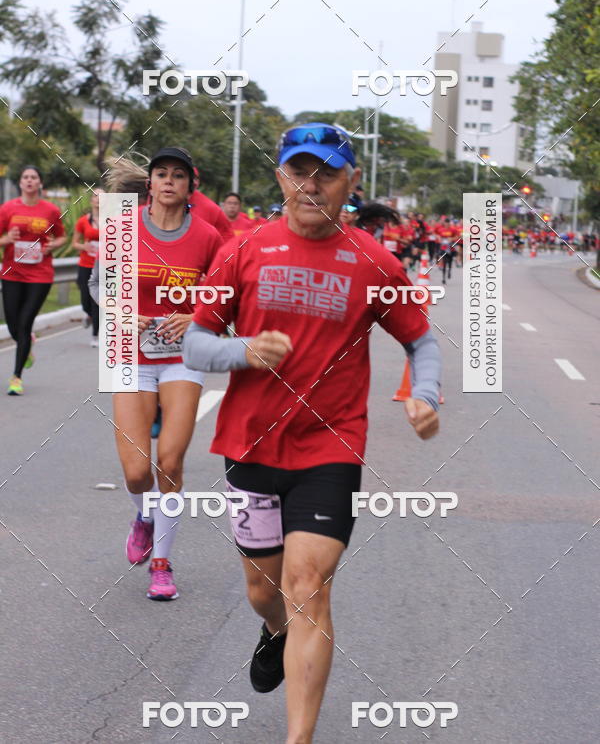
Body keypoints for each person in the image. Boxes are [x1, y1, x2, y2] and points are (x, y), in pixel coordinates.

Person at [183, 122, 441, 744]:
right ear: (281, 177)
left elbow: (421, 340)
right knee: (264, 589)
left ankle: (298, 738)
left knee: (308, 587)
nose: (311, 185)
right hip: (250, 442)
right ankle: (274, 631)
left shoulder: (372, 260)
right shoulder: (244, 250)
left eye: (326, 173)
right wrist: (243, 350)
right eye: (300, 171)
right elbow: (195, 343)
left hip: (331, 446)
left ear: (351, 182)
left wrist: (426, 394)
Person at [91, 148, 223, 600]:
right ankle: (144, 515)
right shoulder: (123, 228)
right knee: (135, 472)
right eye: (161, 173)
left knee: (169, 461)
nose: (169, 180)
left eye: (178, 175)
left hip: (182, 358)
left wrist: (198, 317)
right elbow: (99, 286)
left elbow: (223, 294)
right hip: (129, 354)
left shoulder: (206, 237)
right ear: (149, 183)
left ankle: (162, 565)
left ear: (190, 187)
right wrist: (121, 313)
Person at [0, 165, 66, 395]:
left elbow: (61, 237)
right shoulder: (8, 208)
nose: (29, 180)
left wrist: (52, 246)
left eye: (33, 177)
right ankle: (26, 345)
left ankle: (16, 377)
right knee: (13, 324)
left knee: (25, 322)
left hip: (40, 273)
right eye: (25, 177)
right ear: (20, 183)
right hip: (12, 272)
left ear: (39, 183)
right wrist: (7, 238)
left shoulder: (50, 210)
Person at [72, 189, 101, 346]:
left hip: (103, 267)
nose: (99, 199)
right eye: (96, 196)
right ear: (91, 200)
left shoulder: (113, 221)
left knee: (97, 302)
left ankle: (95, 336)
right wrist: (84, 246)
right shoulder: (83, 221)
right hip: (85, 265)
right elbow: (75, 243)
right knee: (85, 301)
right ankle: (88, 315)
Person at [190, 166, 234, 241]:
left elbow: (228, 239)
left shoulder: (211, 208)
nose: (194, 182)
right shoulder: (169, 204)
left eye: (196, 178)